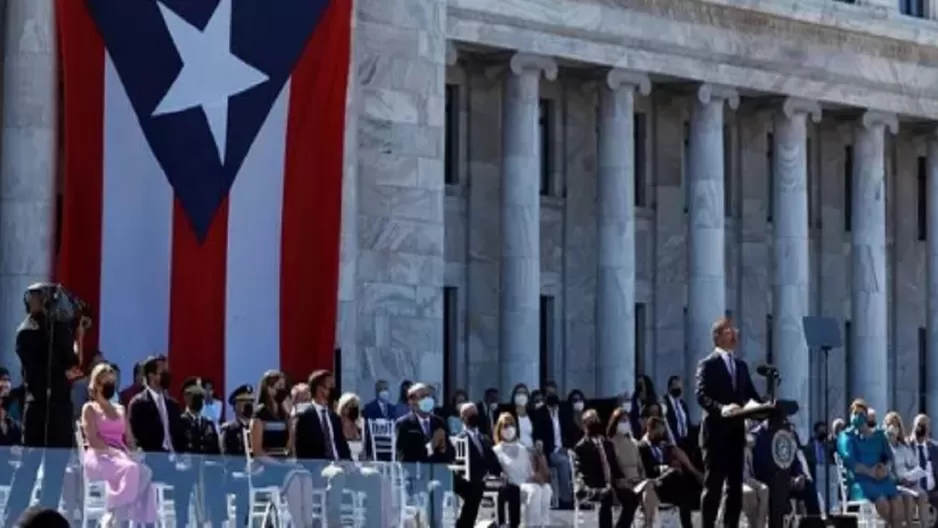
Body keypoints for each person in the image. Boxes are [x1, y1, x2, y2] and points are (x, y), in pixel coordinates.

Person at [5, 284, 86, 526]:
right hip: (38, 405)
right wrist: (53, 335)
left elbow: (72, 364)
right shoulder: (26, 331)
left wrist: (68, 330)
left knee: (56, 467)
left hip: (61, 406)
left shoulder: (59, 328)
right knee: (28, 466)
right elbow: (37, 366)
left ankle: (48, 519)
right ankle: (12, 519)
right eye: (41, 297)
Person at [695, 316, 761, 528]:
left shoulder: (741, 366)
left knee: (734, 488)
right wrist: (722, 409)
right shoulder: (707, 365)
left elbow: (750, 394)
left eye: (735, 331)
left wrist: (764, 406)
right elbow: (702, 396)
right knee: (713, 487)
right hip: (715, 436)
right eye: (728, 331)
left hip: (735, 435)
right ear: (717, 337)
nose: (734, 335)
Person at [80, 362, 157, 524]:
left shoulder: (121, 409)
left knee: (146, 472)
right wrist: (113, 452)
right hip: (99, 456)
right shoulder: (90, 408)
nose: (110, 386)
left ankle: (115, 513)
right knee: (131, 470)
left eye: (112, 383)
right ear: (96, 384)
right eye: (106, 382)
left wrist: (135, 451)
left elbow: (129, 439)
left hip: (121, 457)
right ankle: (118, 517)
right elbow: (93, 439)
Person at [127, 355, 193, 524]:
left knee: (187, 475)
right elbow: (137, 438)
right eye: (162, 371)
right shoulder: (138, 404)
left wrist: (184, 453)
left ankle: (181, 523)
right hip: (152, 461)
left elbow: (179, 436)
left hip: (173, 461)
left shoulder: (173, 405)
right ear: (151, 376)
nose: (167, 374)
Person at [250, 370, 314, 524]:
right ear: (268, 389)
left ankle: (307, 523)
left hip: (284, 465)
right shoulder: (260, 414)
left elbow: (289, 446)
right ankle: (298, 524)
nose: (281, 390)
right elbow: (257, 452)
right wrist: (279, 465)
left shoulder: (283, 414)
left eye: (283, 387)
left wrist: (291, 418)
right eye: (278, 386)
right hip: (264, 468)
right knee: (293, 478)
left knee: (305, 476)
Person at [837, 399, 904, 525]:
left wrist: (885, 469)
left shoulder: (878, 436)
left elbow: (889, 457)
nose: (858, 417)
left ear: (866, 416)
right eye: (855, 413)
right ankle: (890, 525)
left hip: (881, 478)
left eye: (861, 414)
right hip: (860, 481)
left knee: (897, 501)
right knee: (882, 501)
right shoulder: (846, 436)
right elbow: (849, 461)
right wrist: (870, 471)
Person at [573, 409, 640, 528]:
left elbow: (614, 466)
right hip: (594, 486)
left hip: (612, 484)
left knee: (632, 498)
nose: (594, 423)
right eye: (590, 421)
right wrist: (589, 486)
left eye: (595, 419)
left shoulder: (607, 444)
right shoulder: (581, 447)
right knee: (606, 495)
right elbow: (580, 472)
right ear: (584, 425)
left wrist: (624, 480)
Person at [178, 377, 227, 525]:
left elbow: (216, 451)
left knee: (216, 479)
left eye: (201, 397)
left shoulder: (209, 423)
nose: (199, 401)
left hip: (208, 472)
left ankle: (216, 521)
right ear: (186, 398)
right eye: (195, 396)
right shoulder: (180, 422)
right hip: (187, 471)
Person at [455, 403, 511, 528]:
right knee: (475, 491)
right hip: (470, 480)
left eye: (476, 413)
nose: (475, 417)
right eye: (471, 414)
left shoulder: (484, 438)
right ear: (463, 418)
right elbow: (461, 465)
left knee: (509, 487)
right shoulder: (460, 439)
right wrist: (482, 474)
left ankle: (502, 524)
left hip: (487, 479)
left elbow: (493, 460)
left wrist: (500, 473)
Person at [492, 412, 552, 527]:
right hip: (512, 487)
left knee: (546, 488)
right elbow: (498, 473)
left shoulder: (522, 448)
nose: (509, 428)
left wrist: (536, 476)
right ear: (499, 429)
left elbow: (530, 472)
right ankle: (531, 525)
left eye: (511, 425)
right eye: (505, 426)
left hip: (526, 484)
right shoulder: (496, 450)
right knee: (535, 490)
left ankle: (542, 524)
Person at [637, 416, 695, 528]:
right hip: (652, 481)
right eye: (658, 431)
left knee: (683, 489)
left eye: (662, 431)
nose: (661, 434)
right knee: (673, 473)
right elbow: (647, 468)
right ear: (650, 429)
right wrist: (662, 468)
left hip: (666, 482)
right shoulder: (642, 447)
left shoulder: (662, 445)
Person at [606, 408, 657, 528]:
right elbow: (611, 466)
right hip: (620, 484)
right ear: (615, 423)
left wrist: (642, 480)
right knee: (630, 503)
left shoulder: (634, 443)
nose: (625, 424)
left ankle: (647, 524)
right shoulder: (610, 444)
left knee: (649, 491)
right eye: (622, 421)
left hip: (636, 482)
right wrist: (620, 481)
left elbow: (640, 467)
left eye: (627, 421)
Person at [533, 382, 576, 509]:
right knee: (564, 462)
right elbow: (538, 435)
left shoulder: (565, 410)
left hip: (566, 448)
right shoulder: (540, 413)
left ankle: (582, 495)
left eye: (554, 392)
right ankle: (566, 499)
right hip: (551, 451)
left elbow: (572, 430)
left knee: (576, 458)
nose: (552, 395)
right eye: (549, 393)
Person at [883, 411, 930, 525]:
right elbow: (885, 470)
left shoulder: (903, 447)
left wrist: (912, 477)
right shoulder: (883, 447)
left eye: (896, 425)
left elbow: (914, 465)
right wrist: (898, 480)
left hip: (909, 483)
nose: (893, 427)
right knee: (908, 497)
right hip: (895, 484)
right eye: (890, 424)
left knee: (923, 495)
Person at [219, 384, 254, 525]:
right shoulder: (229, 429)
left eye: (251, 402)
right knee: (245, 484)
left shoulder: (256, 427)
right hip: (236, 475)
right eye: (245, 402)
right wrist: (244, 467)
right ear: (236, 406)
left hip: (255, 473)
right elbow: (227, 457)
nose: (249, 405)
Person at [909, 413, 938, 513]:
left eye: (925, 425)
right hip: (913, 491)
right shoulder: (907, 446)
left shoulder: (934, 448)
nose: (921, 428)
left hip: (933, 492)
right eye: (919, 424)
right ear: (914, 427)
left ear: (928, 429)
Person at [662, 376, 692, 449]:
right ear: (669, 388)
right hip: (673, 442)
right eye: (675, 387)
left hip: (685, 442)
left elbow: (687, 423)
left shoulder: (683, 404)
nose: (678, 390)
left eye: (680, 387)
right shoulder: (664, 403)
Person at [505, 383, 536, 449]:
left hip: (532, 451)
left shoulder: (532, 414)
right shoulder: (508, 414)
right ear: (514, 396)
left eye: (524, 393)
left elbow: (537, 435)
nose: (521, 396)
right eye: (519, 393)